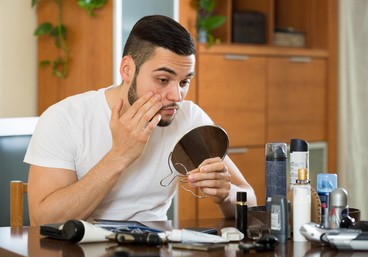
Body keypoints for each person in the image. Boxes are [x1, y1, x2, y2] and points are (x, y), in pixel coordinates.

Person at [25, 15, 257, 226]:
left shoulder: (189, 117)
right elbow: (43, 220)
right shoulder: (65, 118)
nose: (176, 96)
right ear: (127, 69)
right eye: (163, 79)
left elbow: (251, 201)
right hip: (79, 251)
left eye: (184, 82)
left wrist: (226, 195)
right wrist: (119, 156)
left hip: (157, 250)